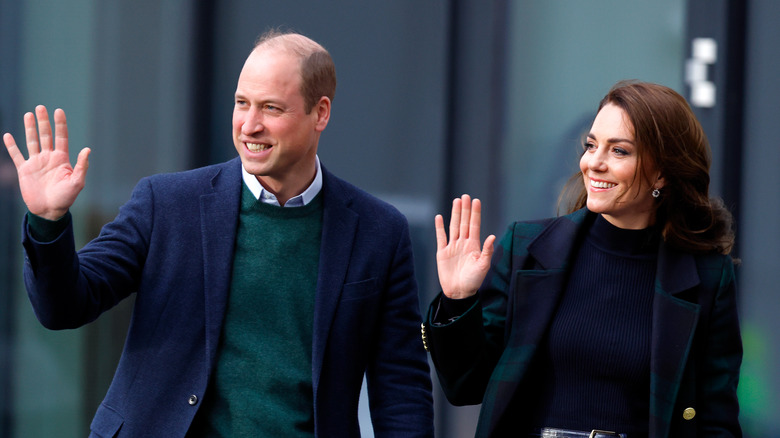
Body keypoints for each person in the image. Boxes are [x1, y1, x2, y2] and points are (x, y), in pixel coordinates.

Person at [3, 30, 434, 437]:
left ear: (320, 112)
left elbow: (402, 389)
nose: (249, 125)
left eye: (271, 108)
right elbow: (64, 307)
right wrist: (48, 222)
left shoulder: (379, 232)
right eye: (241, 103)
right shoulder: (166, 204)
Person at [422, 81, 742, 437]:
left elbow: (717, 419)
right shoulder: (527, 248)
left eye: (619, 151)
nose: (594, 163)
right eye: (591, 146)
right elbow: (466, 386)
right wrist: (457, 301)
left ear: (662, 172)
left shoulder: (707, 276)